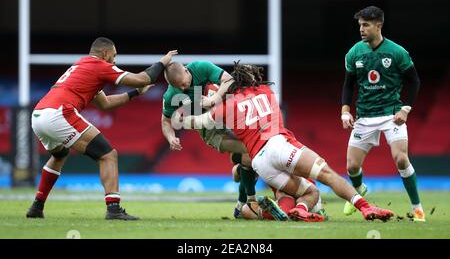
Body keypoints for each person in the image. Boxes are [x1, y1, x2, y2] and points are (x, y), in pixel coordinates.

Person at [179, 62, 395, 222]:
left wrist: (182, 119)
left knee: (299, 192)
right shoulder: (266, 91)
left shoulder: (228, 106)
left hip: (259, 162)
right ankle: (366, 208)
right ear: (253, 79)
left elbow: (201, 121)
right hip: (278, 145)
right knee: (326, 176)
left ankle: (296, 210)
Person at [26, 37, 178, 220]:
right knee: (108, 155)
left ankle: (37, 206)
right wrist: (162, 62)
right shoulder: (99, 66)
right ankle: (113, 209)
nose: (114, 61)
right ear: (105, 53)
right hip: (59, 113)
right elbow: (142, 78)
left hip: (39, 114)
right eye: (113, 56)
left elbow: (105, 104)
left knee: (59, 155)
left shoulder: (83, 67)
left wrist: (135, 94)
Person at [341, 6, 424, 221]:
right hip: (364, 116)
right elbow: (349, 85)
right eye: (360, 25)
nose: (361, 29)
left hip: (391, 114)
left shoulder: (397, 52)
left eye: (366, 25)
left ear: (379, 26)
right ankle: (359, 191)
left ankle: (417, 209)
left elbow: (414, 81)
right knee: (351, 166)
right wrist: (345, 111)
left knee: (401, 159)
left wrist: (405, 108)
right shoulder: (354, 52)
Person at [162, 61, 261, 210]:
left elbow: (229, 79)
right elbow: (165, 121)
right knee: (248, 150)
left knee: (253, 154)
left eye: (184, 83)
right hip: (211, 131)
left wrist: (213, 99)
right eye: (178, 87)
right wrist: (171, 138)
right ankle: (248, 202)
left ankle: (240, 173)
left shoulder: (200, 67)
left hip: (230, 116)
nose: (184, 88)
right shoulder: (170, 95)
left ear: (186, 71)